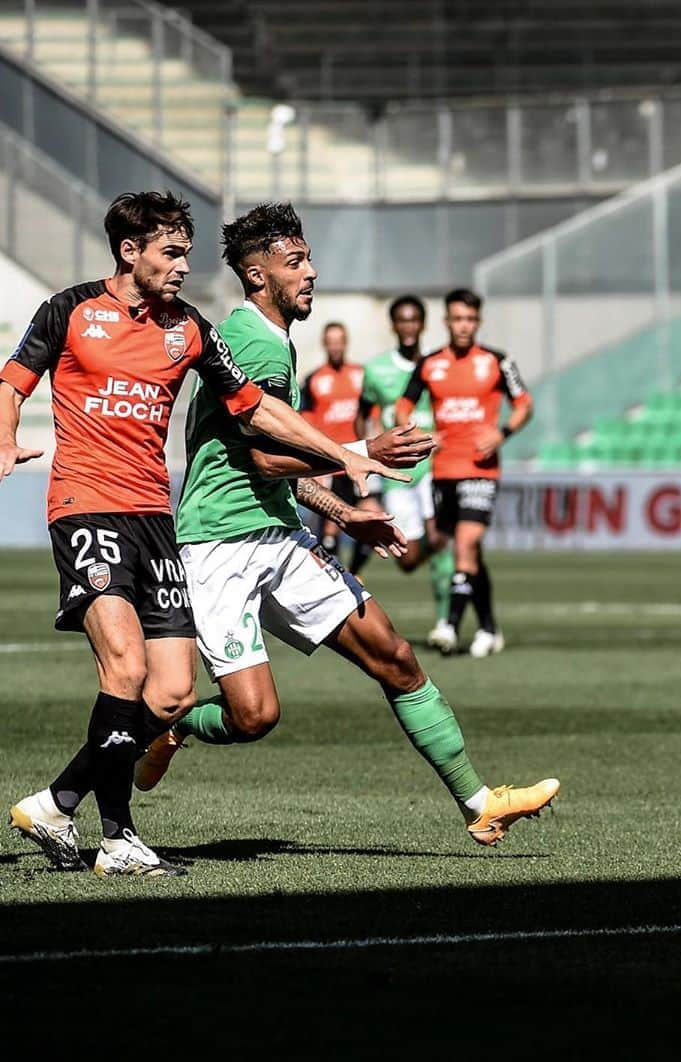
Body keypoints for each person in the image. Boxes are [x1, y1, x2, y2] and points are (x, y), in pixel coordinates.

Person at [135, 204, 560, 847]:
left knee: (394, 655)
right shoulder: (252, 342)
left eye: (309, 259)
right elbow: (262, 455)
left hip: (277, 536)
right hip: (218, 545)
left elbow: (272, 470)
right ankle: (174, 728)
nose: (311, 273)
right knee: (254, 717)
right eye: (295, 262)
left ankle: (481, 802)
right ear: (257, 274)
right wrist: (363, 453)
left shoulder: (270, 338)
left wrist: (342, 512)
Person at [1, 191, 395, 877]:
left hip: (156, 516)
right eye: (171, 253)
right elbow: (13, 381)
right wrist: (5, 440)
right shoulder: (71, 310)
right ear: (131, 252)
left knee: (174, 694)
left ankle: (57, 805)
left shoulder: (189, 330)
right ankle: (118, 839)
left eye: (186, 252)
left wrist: (346, 453)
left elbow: (259, 410)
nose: (184, 266)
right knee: (125, 667)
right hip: (86, 504)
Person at [396, 288, 532, 658]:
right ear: (447, 322)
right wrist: (420, 434)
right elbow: (402, 407)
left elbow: (524, 403)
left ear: (478, 322)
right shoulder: (430, 364)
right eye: (457, 319)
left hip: (481, 470)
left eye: (470, 319)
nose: (463, 326)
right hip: (443, 471)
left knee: (466, 544)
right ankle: (488, 628)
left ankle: (449, 626)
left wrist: (501, 433)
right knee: (467, 554)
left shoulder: (497, 362)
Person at [358, 295, 455, 644]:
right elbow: (363, 413)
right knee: (409, 559)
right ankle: (438, 542)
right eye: (403, 320)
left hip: (437, 467)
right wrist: (363, 456)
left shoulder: (439, 365)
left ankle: (446, 623)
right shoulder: (376, 370)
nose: (409, 326)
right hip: (399, 472)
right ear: (394, 326)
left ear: (423, 325)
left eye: (415, 320)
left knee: (442, 540)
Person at [299, 321, 368, 573]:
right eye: (331, 340)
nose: (336, 345)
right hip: (330, 464)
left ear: (346, 342)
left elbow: (371, 414)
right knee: (330, 530)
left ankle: (354, 574)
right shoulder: (314, 380)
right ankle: (338, 579)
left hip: (358, 461)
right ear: (325, 344)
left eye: (340, 340)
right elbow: (306, 425)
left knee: (374, 517)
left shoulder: (361, 375)